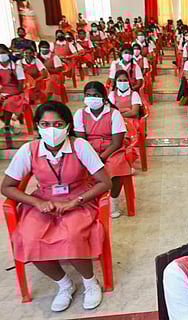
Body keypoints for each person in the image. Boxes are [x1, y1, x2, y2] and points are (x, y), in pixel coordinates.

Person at [1, 101, 109, 312]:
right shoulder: (29, 150)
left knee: (72, 236)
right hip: (43, 201)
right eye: (46, 123)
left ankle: (90, 282)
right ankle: (64, 285)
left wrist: (73, 202)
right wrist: (37, 202)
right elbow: (7, 187)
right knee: (29, 239)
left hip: (78, 198)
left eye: (58, 124)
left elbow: (104, 182)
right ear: (37, 126)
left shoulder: (79, 145)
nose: (52, 129)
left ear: (68, 126)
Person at [73, 81, 131, 218]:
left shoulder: (114, 114)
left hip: (110, 148)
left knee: (117, 166)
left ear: (104, 98)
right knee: (76, 168)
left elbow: (117, 142)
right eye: (88, 95)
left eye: (96, 95)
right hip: (88, 148)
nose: (91, 98)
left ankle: (113, 200)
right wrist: (91, 156)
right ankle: (88, 199)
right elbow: (81, 140)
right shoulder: (80, 114)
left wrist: (102, 156)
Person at [0, 44, 27, 133]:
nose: (1, 55)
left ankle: (7, 125)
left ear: (8, 53)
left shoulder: (17, 67)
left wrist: (9, 95)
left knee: (9, 102)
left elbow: (20, 87)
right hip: (2, 92)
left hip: (16, 93)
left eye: (3, 52)